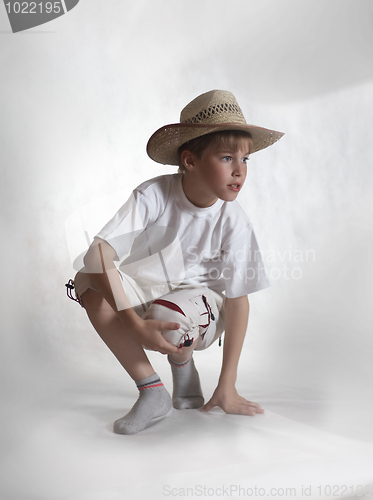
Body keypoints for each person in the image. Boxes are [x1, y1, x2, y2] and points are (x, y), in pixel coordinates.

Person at [68, 89, 284, 435]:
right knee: (87, 278)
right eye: (227, 158)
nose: (240, 171)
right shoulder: (153, 195)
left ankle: (183, 362)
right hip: (149, 295)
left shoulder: (234, 222)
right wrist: (133, 323)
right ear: (190, 161)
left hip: (200, 307)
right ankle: (152, 390)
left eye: (245, 160)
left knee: (168, 313)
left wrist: (228, 384)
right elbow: (100, 253)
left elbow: (238, 301)